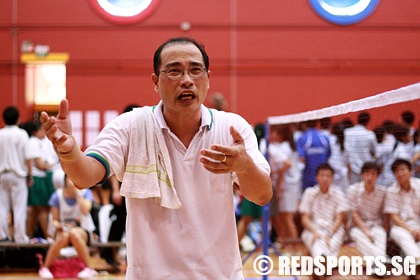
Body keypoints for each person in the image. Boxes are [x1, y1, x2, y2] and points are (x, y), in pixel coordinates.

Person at [40, 37, 272, 279]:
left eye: (195, 70)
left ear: (208, 78)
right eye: (174, 71)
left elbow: (262, 195)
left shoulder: (231, 128)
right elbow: (85, 177)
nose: (186, 80)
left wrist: (245, 166)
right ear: (155, 81)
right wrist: (68, 152)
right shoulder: (131, 126)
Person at [38, 174, 97, 279]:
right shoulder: (57, 195)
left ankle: (89, 268)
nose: (73, 180)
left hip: (82, 230)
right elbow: (54, 221)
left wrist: (78, 193)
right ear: (65, 179)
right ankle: (45, 268)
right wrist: (58, 225)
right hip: (63, 231)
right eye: (71, 177)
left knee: (74, 234)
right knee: (65, 235)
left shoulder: (86, 193)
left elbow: (85, 210)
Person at [299, 163, 348, 259]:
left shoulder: (338, 193)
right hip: (313, 229)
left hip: (333, 229)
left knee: (332, 242)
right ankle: (323, 261)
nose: (325, 179)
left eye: (328, 176)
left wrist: (330, 233)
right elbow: (304, 218)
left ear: (332, 178)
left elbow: (340, 218)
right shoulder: (309, 192)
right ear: (316, 177)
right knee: (316, 240)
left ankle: (322, 262)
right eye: (322, 175)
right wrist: (315, 232)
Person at [0, 106, 32, 243]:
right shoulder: (22, 134)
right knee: (19, 207)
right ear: (18, 119)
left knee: (2, 207)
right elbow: (28, 157)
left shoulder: (0, 134)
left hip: (2, 174)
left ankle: (2, 235)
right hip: (18, 175)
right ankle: (20, 237)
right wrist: (30, 175)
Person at [347, 162, 388, 265]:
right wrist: (365, 230)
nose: (370, 177)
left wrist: (387, 230)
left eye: (373, 174)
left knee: (381, 235)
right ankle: (381, 260)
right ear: (361, 175)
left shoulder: (382, 191)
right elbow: (353, 214)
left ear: (377, 176)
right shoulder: (352, 189)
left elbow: (385, 214)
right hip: (356, 226)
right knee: (358, 236)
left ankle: (375, 265)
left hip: (376, 224)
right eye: (367, 174)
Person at [268, 125, 301, 242]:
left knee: (287, 218)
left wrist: (274, 172)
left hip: (288, 186)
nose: (272, 135)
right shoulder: (289, 146)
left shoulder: (283, 147)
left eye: (274, 132)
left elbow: (287, 165)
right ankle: (286, 244)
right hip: (290, 185)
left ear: (280, 134)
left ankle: (295, 248)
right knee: (282, 217)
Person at [384, 159, 420, 262]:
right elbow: (394, 217)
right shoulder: (391, 191)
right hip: (400, 227)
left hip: (418, 224)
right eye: (396, 171)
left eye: (402, 170)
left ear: (410, 171)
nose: (400, 173)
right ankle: (417, 260)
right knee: (404, 237)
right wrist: (411, 230)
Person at [26, 120, 56, 240]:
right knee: (42, 207)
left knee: (34, 210)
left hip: (42, 177)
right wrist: (47, 166)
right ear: (35, 131)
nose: (43, 132)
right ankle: (48, 236)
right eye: (41, 130)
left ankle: (27, 235)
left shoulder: (42, 142)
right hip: (37, 178)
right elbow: (38, 163)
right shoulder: (33, 143)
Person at [296, 119, 331, 190]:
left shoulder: (302, 138)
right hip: (323, 177)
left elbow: (302, 158)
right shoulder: (325, 138)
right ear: (317, 123)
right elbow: (328, 156)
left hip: (308, 177)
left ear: (304, 124)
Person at [344, 111, 377, 184]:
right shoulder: (370, 135)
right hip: (366, 168)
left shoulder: (346, 132)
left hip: (352, 168)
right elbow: (374, 152)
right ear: (368, 121)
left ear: (357, 119)